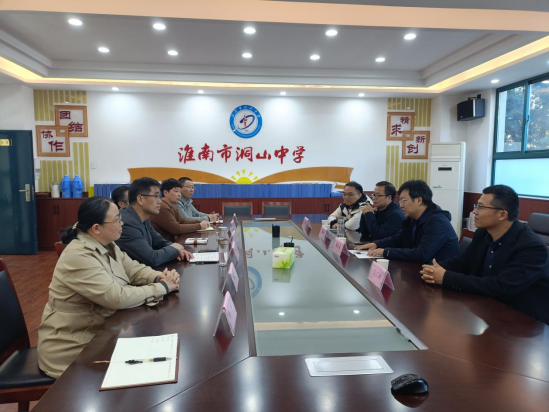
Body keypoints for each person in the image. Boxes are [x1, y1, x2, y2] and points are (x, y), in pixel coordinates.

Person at [37, 197, 180, 379]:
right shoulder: (79, 255)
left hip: (101, 334)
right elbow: (116, 297)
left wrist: (158, 276)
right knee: (145, 371)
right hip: (74, 347)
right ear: (96, 228)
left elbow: (133, 269)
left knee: (156, 357)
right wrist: (162, 288)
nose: (122, 223)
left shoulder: (108, 244)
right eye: (117, 219)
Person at [421, 185, 549, 325]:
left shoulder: (531, 247)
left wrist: (446, 277)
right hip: (486, 309)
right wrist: (431, 269)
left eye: (481, 207)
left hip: (523, 321)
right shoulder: (482, 234)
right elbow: (462, 263)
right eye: (476, 206)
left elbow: (501, 286)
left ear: (502, 215)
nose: (474, 211)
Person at [358, 180, 459, 262]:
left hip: (439, 273)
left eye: (404, 201)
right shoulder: (413, 218)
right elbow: (399, 238)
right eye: (400, 201)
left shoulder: (437, 221)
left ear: (419, 200)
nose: (401, 205)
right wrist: (376, 244)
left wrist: (385, 252)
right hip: (421, 269)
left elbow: (421, 254)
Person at [116, 177, 194, 267]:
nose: (160, 201)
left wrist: (178, 249)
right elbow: (152, 258)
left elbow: (159, 242)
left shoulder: (143, 218)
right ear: (140, 199)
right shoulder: (126, 223)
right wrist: (175, 249)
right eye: (156, 196)